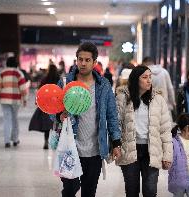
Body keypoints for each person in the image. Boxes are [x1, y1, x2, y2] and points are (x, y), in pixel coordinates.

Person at [54, 42, 122, 197]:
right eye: (80, 59)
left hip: (95, 149)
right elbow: (53, 110)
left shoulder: (103, 85)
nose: (83, 63)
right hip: (70, 146)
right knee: (69, 190)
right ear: (76, 60)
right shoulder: (65, 83)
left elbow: (112, 115)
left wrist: (116, 142)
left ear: (94, 62)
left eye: (87, 60)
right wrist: (59, 115)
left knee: (89, 192)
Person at [116, 65, 173, 197]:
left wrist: (167, 155)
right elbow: (116, 124)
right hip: (130, 149)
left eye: (150, 77)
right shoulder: (123, 97)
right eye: (145, 77)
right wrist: (115, 146)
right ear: (136, 79)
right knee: (131, 191)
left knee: (151, 191)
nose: (149, 80)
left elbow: (165, 130)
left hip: (151, 150)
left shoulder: (158, 99)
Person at [0, 56, 28, 148]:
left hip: (4, 99)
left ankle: (6, 141)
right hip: (15, 99)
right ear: (16, 64)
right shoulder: (18, 73)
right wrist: (25, 99)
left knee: (7, 119)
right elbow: (23, 88)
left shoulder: (2, 73)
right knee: (14, 119)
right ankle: (15, 139)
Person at [29, 64, 60, 149]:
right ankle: (56, 142)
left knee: (46, 125)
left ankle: (46, 141)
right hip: (56, 105)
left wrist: (37, 101)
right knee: (56, 125)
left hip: (46, 105)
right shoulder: (59, 80)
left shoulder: (45, 79)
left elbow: (40, 91)